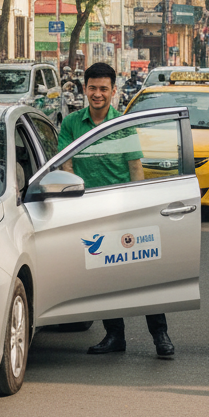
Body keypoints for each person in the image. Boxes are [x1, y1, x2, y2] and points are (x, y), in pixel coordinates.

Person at [57, 61, 175, 358]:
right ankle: (115, 336)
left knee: (144, 276)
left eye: (104, 89)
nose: (98, 94)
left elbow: (135, 168)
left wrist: (142, 208)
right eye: (93, 88)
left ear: (114, 91)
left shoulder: (123, 125)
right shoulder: (72, 123)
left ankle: (160, 336)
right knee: (104, 276)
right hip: (89, 209)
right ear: (85, 89)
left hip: (123, 208)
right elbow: (65, 165)